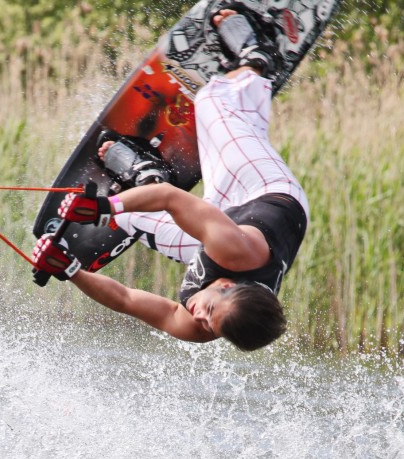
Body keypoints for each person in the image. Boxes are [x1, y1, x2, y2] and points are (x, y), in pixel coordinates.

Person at [32, 8, 309, 352]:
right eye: (208, 311)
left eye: (212, 327)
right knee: (212, 102)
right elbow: (172, 199)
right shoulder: (234, 251)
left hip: (217, 228)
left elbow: (126, 299)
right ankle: (255, 57)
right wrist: (103, 207)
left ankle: (147, 174)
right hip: (262, 191)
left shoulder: (205, 325)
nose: (200, 317)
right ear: (224, 285)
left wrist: (72, 271)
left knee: (130, 218)